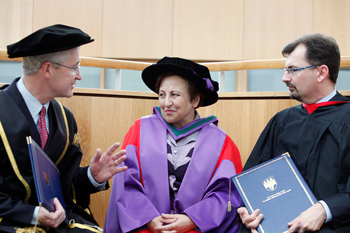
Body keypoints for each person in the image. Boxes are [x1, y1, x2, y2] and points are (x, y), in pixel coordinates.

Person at [0, 24, 128, 233]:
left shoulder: (65, 119)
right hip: (9, 220)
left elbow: (60, 186)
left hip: (58, 220)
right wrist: (33, 214)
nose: (79, 76)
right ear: (48, 69)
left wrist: (91, 177)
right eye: (74, 68)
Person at [104, 57, 243, 233]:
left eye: (174, 95)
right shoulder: (140, 130)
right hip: (145, 227)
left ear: (194, 100)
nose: (166, 103)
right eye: (162, 95)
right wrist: (150, 219)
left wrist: (192, 219)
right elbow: (125, 183)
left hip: (195, 229)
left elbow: (226, 195)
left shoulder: (221, 142)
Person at [237, 33, 350, 233]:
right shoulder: (282, 121)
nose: (284, 78)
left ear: (321, 72)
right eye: (285, 70)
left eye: (293, 70)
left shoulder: (346, 120)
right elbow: (253, 179)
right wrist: (250, 213)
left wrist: (326, 209)